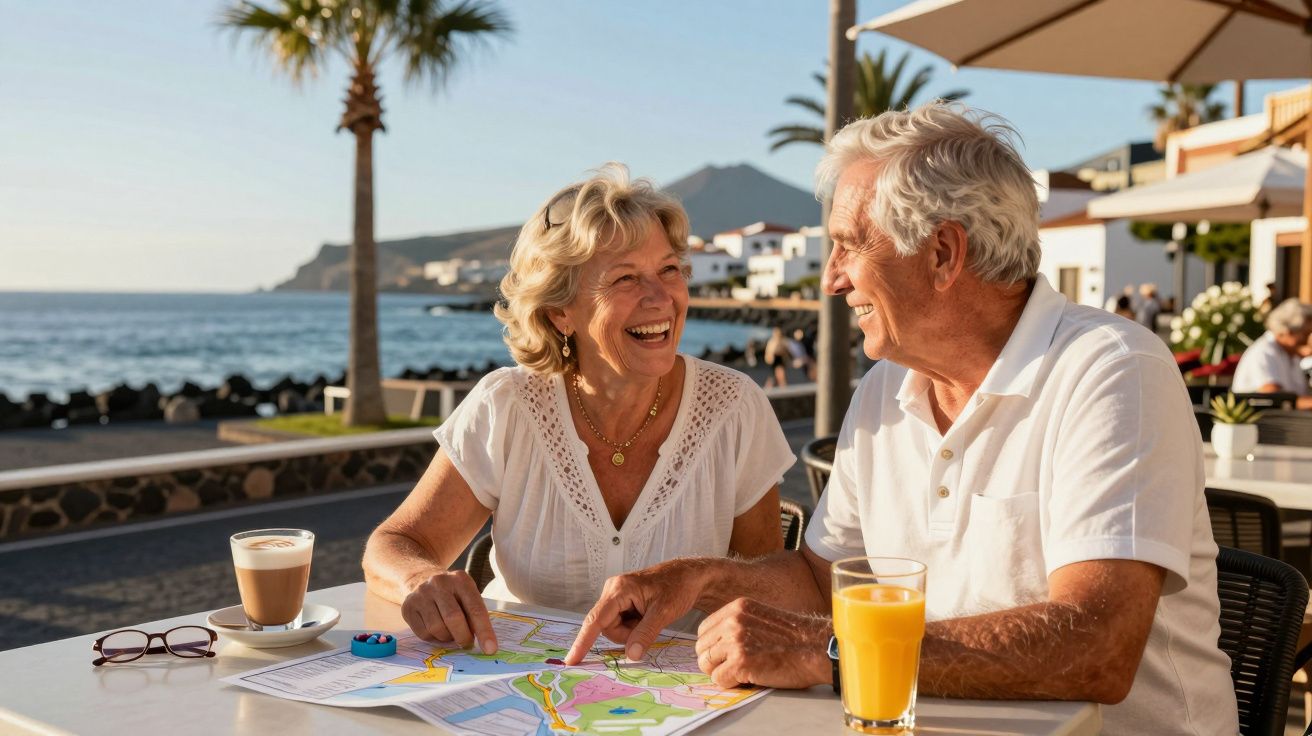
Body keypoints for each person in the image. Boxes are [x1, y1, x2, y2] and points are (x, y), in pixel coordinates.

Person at [566, 104, 1238, 735]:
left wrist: (829, 652)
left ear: (943, 253)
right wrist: (701, 578)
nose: (832, 280)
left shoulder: (1112, 368)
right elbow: (820, 582)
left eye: (849, 246)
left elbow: (1097, 644)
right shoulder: (887, 387)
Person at [362, 165, 793, 652]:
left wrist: (697, 578)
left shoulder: (735, 406)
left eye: (669, 270)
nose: (660, 299)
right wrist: (420, 578)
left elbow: (771, 583)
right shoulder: (507, 406)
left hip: (681, 706)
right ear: (559, 312)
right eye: (626, 278)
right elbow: (394, 544)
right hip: (515, 696)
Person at [1232, 298, 1312, 408]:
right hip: (1264, 422)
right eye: (1305, 334)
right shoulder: (1264, 352)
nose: (1307, 340)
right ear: (1287, 333)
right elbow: (1274, 398)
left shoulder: (1291, 354)